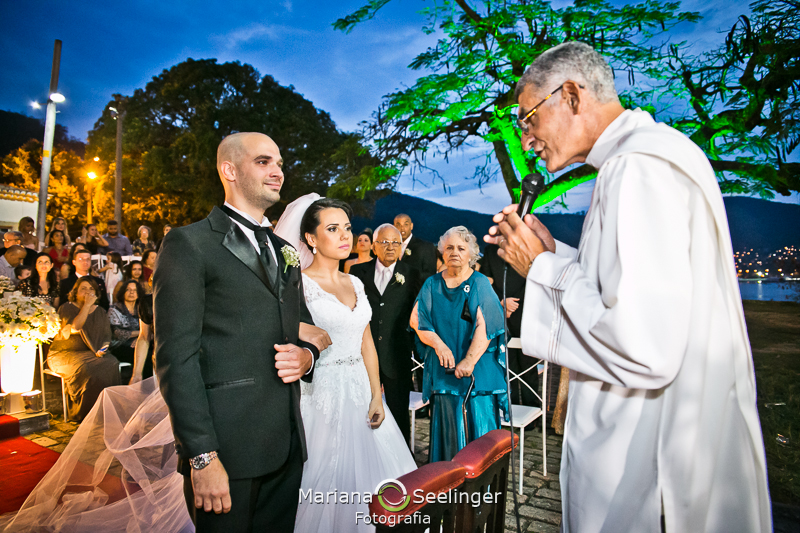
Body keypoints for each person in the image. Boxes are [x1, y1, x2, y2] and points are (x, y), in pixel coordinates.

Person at [485, 42, 771, 532]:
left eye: (528, 118)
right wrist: (554, 255)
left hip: (648, 470)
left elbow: (644, 345)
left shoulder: (638, 168)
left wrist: (543, 271)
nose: (526, 139)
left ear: (571, 96)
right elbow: (626, 288)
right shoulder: (643, 158)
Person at [155, 132, 328, 533]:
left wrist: (307, 357)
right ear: (230, 170)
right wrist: (202, 456)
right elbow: (175, 359)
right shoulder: (190, 244)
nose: (278, 172)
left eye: (280, 164)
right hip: (227, 449)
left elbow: (303, 329)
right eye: (264, 162)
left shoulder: (284, 252)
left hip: (285, 445)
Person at [273, 195, 416, 533]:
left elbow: (365, 341)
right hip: (320, 394)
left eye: (348, 228)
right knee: (322, 479)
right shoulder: (298, 285)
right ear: (310, 238)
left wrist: (376, 395)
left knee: (378, 482)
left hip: (361, 390)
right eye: (333, 228)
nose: (345, 236)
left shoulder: (354, 282)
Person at [410, 226, 508, 463]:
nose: (455, 252)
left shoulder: (480, 282)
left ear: (471, 254)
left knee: (479, 436)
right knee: (449, 431)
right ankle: (449, 491)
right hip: (445, 372)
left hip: (477, 373)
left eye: (461, 248)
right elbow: (416, 319)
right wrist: (439, 346)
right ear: (442, 252)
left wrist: (469, 360)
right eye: (450, 247)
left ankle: (480, 494)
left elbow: (486, 326)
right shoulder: (432, 284)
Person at [349, 223, 421, 446]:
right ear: (374, 246)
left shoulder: (413, 275)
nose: (391, 247)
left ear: (401, 247)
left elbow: (419, 314)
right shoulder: (357, 273)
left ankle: (401, 460)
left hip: (397, 355)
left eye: (395, 243)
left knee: (399, 412)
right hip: (362, 355)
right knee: (362, 409)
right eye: (385, 242)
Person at [48, 277, 121, 421]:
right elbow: (75, 328)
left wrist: (103, 349)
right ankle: (86, 414)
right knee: (87, 368)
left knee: (111, 363)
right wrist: (86, 306)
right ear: (75, 291)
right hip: (65, 353)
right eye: (83, 288)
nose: (87, 292)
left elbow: (106, 335)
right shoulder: (67, 307)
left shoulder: (100, 311)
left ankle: (106, 411)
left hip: (92, 353)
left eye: (91, 289)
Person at [478, 243, 538, 407]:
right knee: (505, 363)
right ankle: (508, 408)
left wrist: (514, 303)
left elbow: (533, 279)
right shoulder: (490, 250)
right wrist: (501, 300)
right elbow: (485, 279)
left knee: (527, 364)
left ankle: (531, 410)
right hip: (499, 312)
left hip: (525, 312)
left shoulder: (526, 247)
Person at [108, 279, 142, 370]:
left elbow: (152, 330)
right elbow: (116, 333)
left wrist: (139, 340)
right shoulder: (114, 309)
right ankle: (142, 383)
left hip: (138, 343)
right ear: (123, 292)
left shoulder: (142, 310)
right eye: (128, 290)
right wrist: (141, 334)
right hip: (119, 346)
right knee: (145, 357)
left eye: (135, 290)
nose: (131, 292)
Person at [393, 213, 437, 280]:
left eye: (406, 224)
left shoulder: (426, 247)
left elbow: (430, 276)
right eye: (398, 225)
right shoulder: (390, 246)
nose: (402, 228)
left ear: (411, 226)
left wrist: (411, 275)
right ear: (394, 227)